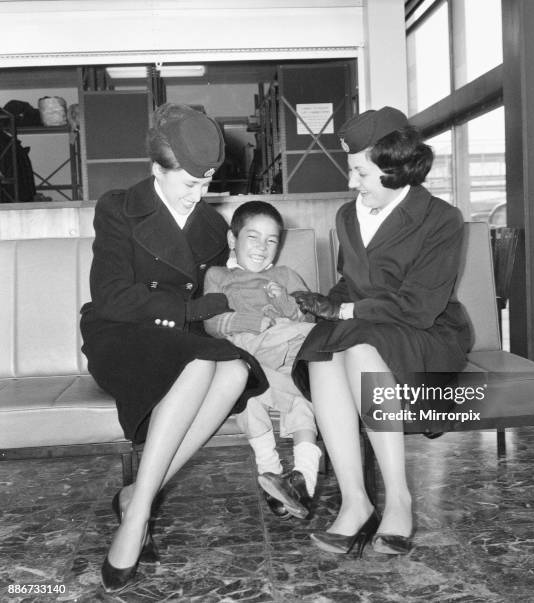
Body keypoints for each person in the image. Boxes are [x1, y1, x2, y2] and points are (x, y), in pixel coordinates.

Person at [80, 103, 268, 592]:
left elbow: (211, 300)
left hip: (177, 341)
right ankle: (139, 514)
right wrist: (189, 311)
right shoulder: (118, 208)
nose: (200, 194)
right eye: (189, 183)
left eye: (207, 183)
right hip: (119, 334)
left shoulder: (208, 228)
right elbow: (112, 297)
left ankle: (136, 496)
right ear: (156, 170)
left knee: (232, 372)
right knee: (199, 365)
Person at [291, 107, 472, 556]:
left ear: (394, 170)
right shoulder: (347, 216)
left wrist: (345, 308)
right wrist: (321, 302)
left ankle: (399, 499)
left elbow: (420, 306)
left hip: (427, 334)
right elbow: (349, 282)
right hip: (369, 327)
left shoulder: (441, 219)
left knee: (356, 348)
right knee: (324, 352)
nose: (353, 183)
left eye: (361, 173)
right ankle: (355, 502)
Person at [203, 201, 321, 520]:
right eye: (253, 237)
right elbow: (211, 323)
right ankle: (272, 469)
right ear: (232, 240)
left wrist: (284, 302)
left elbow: (307, 316)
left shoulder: (285, 274)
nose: (262, 247)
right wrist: (249, 322)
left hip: (285, 348)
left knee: (293, 383)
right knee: (252, 388)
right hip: (246, 350)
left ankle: (298, 478)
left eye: (271, 240)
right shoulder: (218, 276)